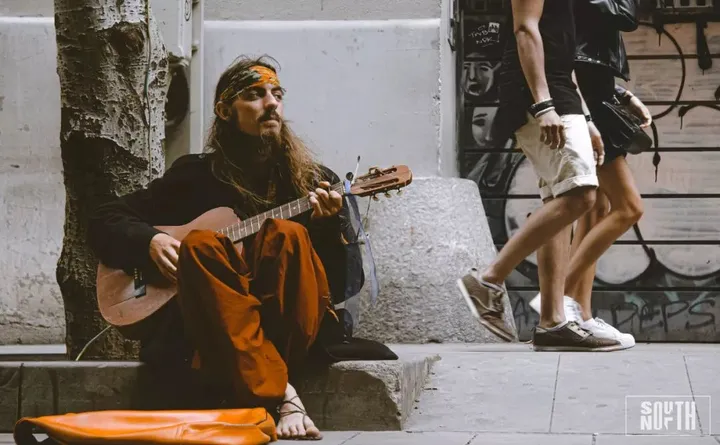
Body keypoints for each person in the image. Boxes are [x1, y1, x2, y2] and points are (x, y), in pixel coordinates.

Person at [87, 55, 365, 440]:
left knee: (286, 234)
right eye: (255, 94)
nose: (271, 103)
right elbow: (105, 216)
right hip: (209, 323)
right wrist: (149, 241)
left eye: (277, 93)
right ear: (225, 110)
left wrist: (326, 227)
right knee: (201, 244)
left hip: (287, 319)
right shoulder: (194, 176)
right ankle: (281, 392)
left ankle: (264, 380)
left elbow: (344, 283)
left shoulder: (315, 181)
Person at [456, 0, 624, 351]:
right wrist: (543, 103)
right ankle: (487, 280)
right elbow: (524, 29)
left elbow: (562, 49)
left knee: (559, 200)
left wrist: (588, 119)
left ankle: (551, 322)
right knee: (580, 196)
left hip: (559, 89)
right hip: (539, 93)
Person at [527, 0, 653, 350]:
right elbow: (566, 61)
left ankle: (580, 314)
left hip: (595, 104)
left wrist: (622, 94)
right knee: (628, 207)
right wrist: (585, 117)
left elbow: (590, 63)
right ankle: (557, 301)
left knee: (595, 209)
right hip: (585, 110)